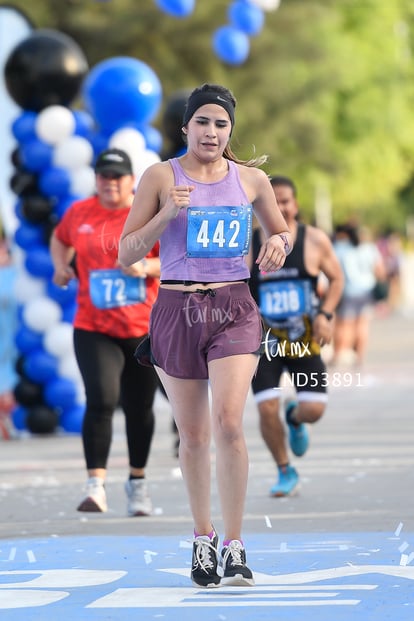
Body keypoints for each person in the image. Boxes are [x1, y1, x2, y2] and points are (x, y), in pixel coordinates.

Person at [118, 83, 292, 588]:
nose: (211, 131)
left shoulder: (251, 180)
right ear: (186, 127)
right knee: (193, 435)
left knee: (229, 423)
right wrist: (167, 214)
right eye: (202, 122)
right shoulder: (158, 176)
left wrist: (278, 243)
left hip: (234, 307)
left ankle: (235, 545)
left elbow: (279, 230)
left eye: (221, 123)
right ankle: (203, 538)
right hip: (175, 307)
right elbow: (127, 253)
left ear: (230, 130)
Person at [50, 148, 160, 517]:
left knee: (139, 408)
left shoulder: (146, 212)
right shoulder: (79, 212)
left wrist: (145, 267)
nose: (109, 183)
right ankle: (95, 485)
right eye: (103, 175)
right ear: (95, 179)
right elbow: (60, 238)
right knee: (100, 398)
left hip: (141, 328)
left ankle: (138, 482)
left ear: (131, 181)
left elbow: (176, 256)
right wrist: (61, 266)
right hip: (93, 326)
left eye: (117, 176)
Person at [248, 176, 343, 497]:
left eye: (285, 201)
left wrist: (326, 315)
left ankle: (295, 416)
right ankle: (285, 470)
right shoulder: (248, 244)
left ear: (296, 205)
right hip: (264, 342)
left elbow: (337, 279)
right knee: (265, 407)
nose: (280, 207)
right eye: (272, 201)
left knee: (314, 410)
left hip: (304, 338)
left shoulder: (314, 240)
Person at [333, 222, 386, 367]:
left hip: (349, 291)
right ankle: (360, 356)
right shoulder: (370, 249)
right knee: (363, 324)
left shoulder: (340, 248)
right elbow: (380, 270)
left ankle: (339, 354)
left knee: (346, 324)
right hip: (367, 291)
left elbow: (334, 271)